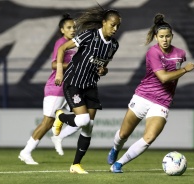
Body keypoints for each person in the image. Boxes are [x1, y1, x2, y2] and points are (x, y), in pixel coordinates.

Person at [107, 13, 194, 173]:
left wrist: (181, 69)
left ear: (172, 36)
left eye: (167, 36)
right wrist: (185, 69)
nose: (165, 39)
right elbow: (163, 77)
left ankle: (118, 164)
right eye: (161, 36)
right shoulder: (153, 52)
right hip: (143, 97)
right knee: (123, 134)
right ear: (156, 37)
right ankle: (115, 148)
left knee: (149, 138)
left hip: (162, 102)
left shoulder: (180, 54)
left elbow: (172, 74)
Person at [52, 7, 121, 174]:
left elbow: (103, 66)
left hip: (91, 86)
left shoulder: (113, 45)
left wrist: (104, 71)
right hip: (74, 82)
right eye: (112, 25)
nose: (115, 29)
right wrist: (60, 71)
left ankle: (75, 165)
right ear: (104, 22)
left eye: (118, 26)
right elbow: (62, 49)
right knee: (82, 120)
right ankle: (60, 115)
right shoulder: (89, 35)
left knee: (88, 126)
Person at [18, 14, 79, 165]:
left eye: (74, 27)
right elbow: (54, 65)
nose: (73, 30)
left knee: (82, 117)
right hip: (56, 87)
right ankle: (26, 152)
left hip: (68, 88)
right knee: (47, 122)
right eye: (69, 27)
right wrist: (76, 66)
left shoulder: (74, 44)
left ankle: (59, 135)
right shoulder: (61, 42)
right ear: (62, 30)